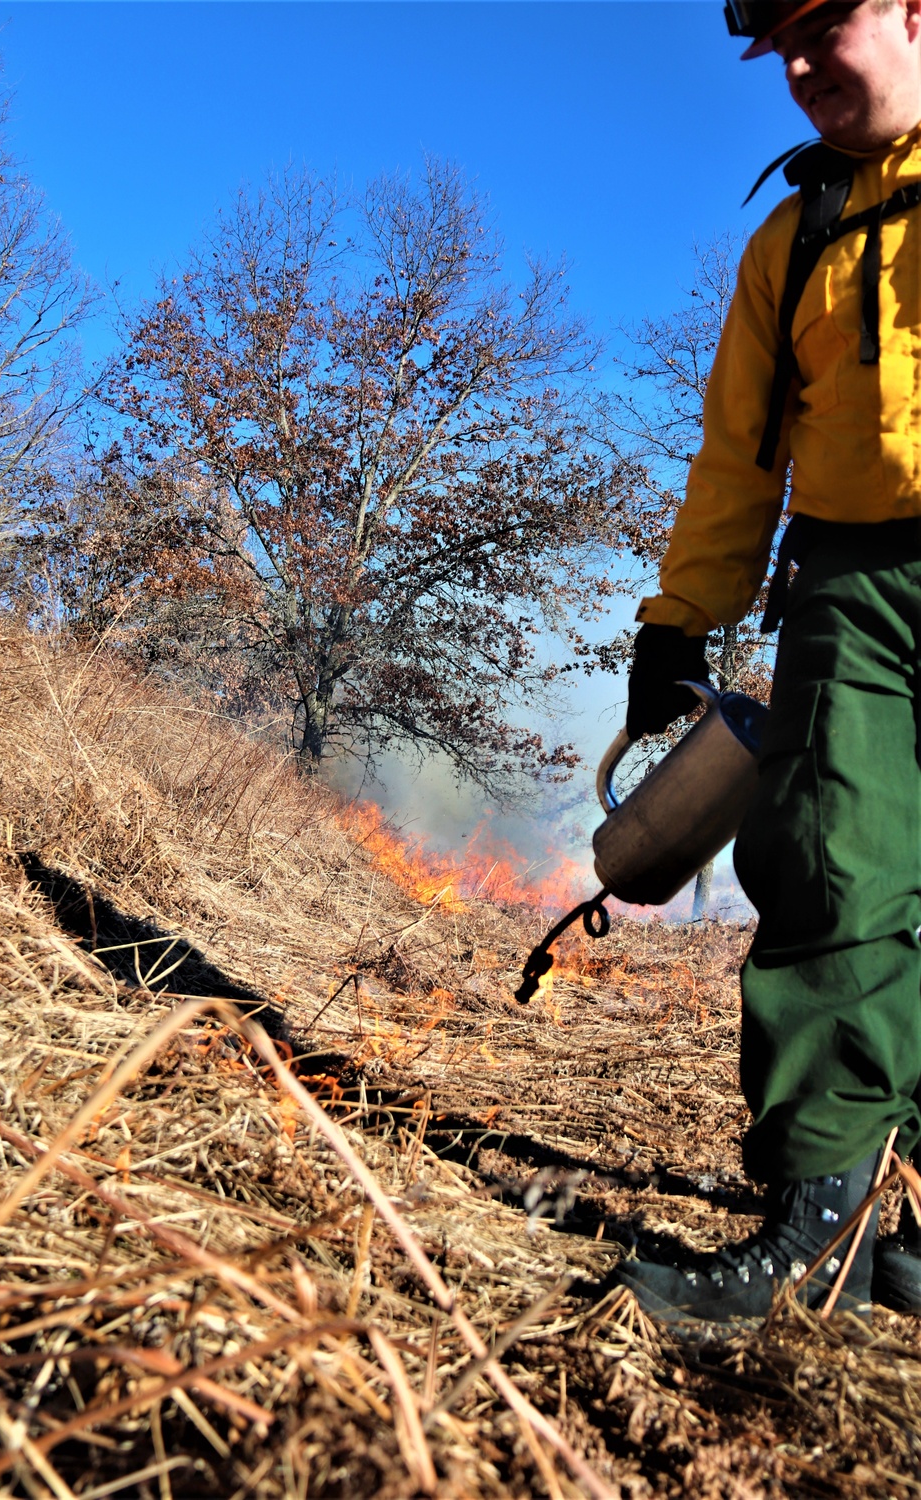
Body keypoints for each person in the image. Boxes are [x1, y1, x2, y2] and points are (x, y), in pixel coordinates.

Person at [617, 0, 921, 1325]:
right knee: (829, 859)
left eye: (819, 28)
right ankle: (822, 1215)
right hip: (851, 588)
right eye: (776, 50)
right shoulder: (789, 244)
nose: (798, 72)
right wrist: (678, 620)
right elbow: (738, 456)